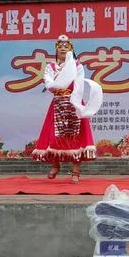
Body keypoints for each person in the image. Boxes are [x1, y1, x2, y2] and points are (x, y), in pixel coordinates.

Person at [32, 34, 103, 183]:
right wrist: (57, 86)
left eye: (66, 46)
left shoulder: (77, 66)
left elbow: (79, 84)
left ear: (71, 50)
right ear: (56, 49)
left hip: (73, 101)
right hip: (58, 103)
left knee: (76, 137)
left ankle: (75, 172)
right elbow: (48, 82)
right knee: (54, 137)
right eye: (60, 46)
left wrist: (74, 100)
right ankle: (55, 165)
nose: (63, 49)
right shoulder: (51, 67)